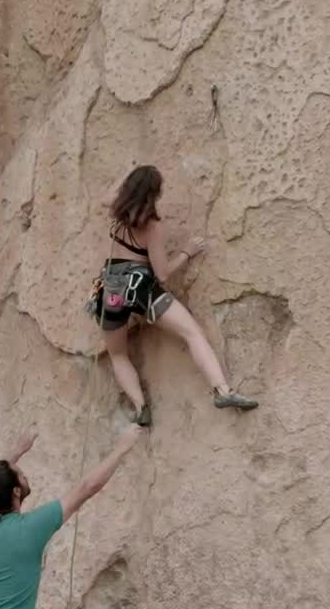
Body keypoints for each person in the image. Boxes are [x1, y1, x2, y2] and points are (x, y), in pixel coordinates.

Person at [87, 164, 258, 425]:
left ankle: (140, 407)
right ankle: (222, 390)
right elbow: (163, 274)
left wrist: (130, 174)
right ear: (154, 194)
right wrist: (187, 252)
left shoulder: (114, 210)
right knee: (192, 333)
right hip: (141, 288)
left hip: (112, 288)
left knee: (118, 354)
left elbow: (107, 196)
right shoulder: (151, 226)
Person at [0, 426, 143, 609]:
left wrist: (17, 450)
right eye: (21, 475)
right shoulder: (30, 528)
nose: (25, 475)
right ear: (16, 491)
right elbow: (86, 488)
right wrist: (122, 448)